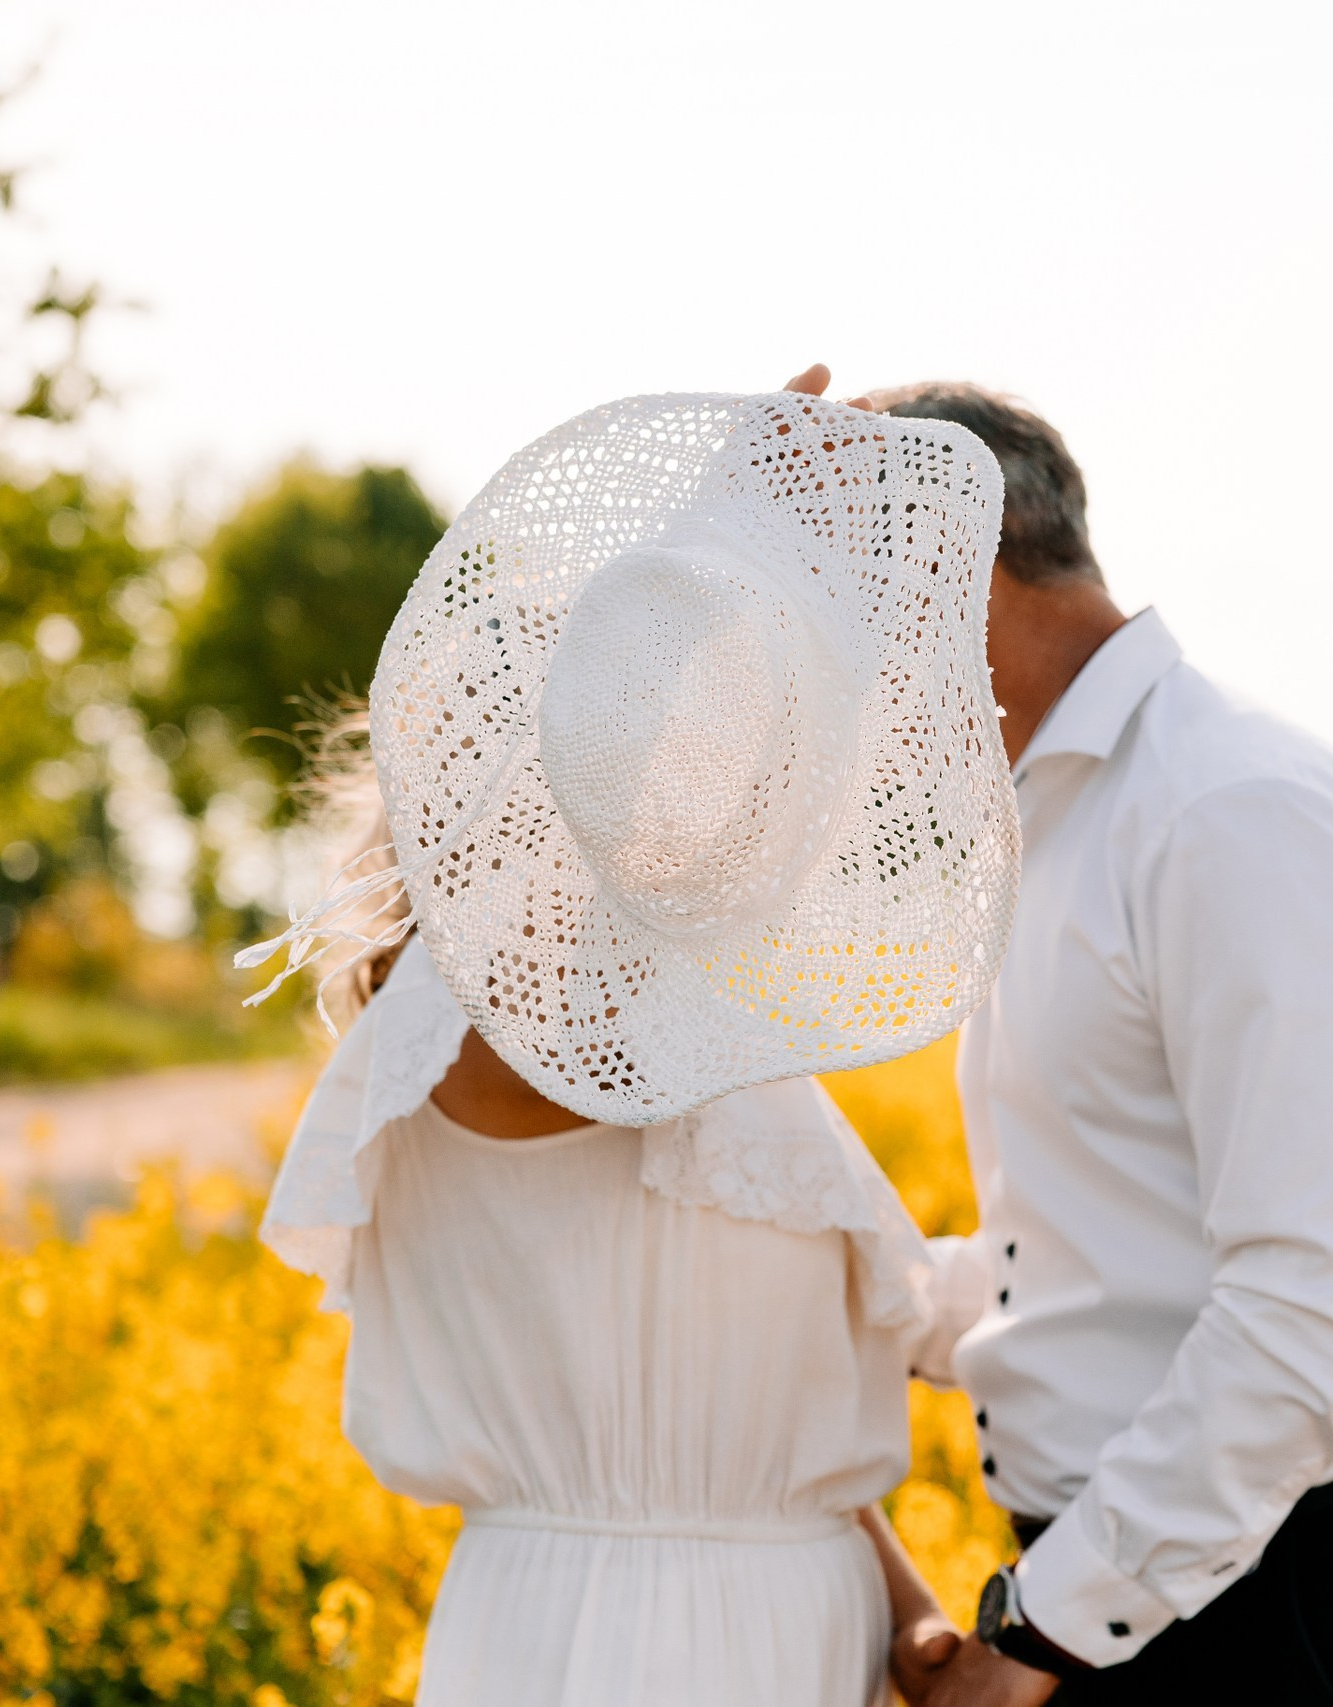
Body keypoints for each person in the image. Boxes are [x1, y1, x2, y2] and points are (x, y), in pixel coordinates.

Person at [241, 390, 1023, 1706]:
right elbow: (657, 1482)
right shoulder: (495, 1023)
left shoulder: (667, 1008)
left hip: (775, 1630)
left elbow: (738, 1427)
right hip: (629, 1655)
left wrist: (907, 1609)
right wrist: (717, 545)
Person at [782, 370, 1333, 1706]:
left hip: (1287, 1606)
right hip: (1170, 1585)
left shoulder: (1235, 817)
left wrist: (1044, 1634)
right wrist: (820, 1290)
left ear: (943, 574)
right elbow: (1096, 1270)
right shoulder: (1062, 823)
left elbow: (1310, 1317)